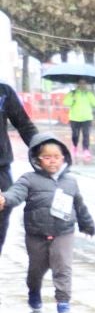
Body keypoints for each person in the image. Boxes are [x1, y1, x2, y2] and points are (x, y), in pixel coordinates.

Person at [4, 134, 95, 313]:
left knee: (63, 267)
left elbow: (79, 205)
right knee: (36, 269)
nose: (52, 161)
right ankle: (34, 291)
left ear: (64, 158)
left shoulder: (70, 181)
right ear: (38, 159)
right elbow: (16, 193)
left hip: (63, 232)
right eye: (47, 157)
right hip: (36, 234)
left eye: (56, 157)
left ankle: (63, 303)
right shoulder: (29, 179)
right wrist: (5, 199)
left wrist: (87, 224)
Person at [0, 77, 41, 254]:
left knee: (3, 210)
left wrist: (42, 148)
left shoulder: (4, 92)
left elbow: (24, 124)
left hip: (0, 167)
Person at [64, 81, 95, 162]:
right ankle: (74, 147)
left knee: (86, 135)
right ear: (77, 84)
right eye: (80, 83)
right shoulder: (72, 93)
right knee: (75, 135)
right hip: (74, 118)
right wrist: (73, 98)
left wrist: (91, 95)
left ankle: (86, 150)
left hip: (87, 118)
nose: (82, 85)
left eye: (84, 83)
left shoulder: (88, 93)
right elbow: (66, 102)